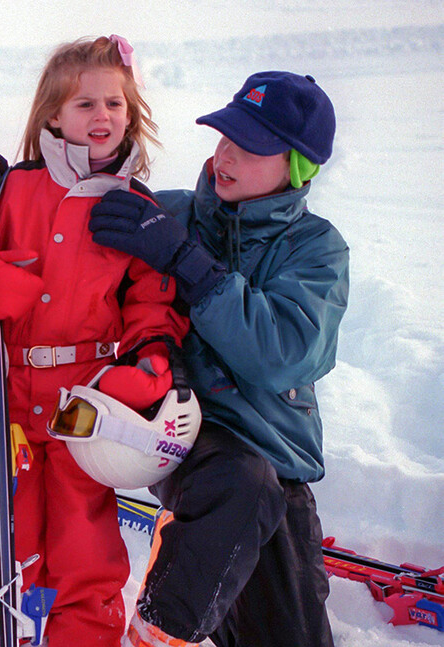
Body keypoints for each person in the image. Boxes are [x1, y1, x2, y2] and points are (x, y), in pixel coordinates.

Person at [0, 36, 188, 645]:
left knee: (83, 544)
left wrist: (151, 360)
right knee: (9, 537)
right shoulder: (10, 192)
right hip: (8, 396)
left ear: (130, 114)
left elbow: (150, 302)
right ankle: (15, 633)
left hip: (87, 403)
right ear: (53, 113)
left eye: (114, 104)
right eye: (84, 105)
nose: (101, 116)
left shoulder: (135, 206)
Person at [88, 71, 349, 646]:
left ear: (299, 167)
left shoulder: (316, 251)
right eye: (225, 135)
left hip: (273, 460)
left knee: (291, 629)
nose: (225, 154)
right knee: (241, 482)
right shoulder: (170, 215)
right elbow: (71, 223)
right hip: (181, 433)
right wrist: (5, 197)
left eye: (251, 145)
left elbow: (282, 353)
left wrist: (192, 267)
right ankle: (157, 632)